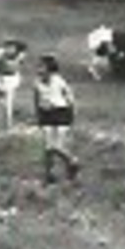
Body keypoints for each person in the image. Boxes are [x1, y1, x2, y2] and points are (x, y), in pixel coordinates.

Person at [33, 54, 80, 183]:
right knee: (48, 147)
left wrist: (73, 112)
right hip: (46, 114)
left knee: (57, 145)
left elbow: (70, 97)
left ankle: (72, 161)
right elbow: (36, 98)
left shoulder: (59, 81)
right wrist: (38, 114)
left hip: (61, 112)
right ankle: (49, 174)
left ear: (50, 68)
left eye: (41, 67)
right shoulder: (37, 82)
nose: (38, 69)